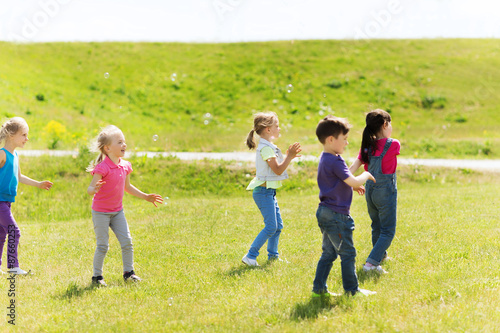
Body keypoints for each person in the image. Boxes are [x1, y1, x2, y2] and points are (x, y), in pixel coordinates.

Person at [87, 125, 162, 286]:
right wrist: (94, 189)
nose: (124, 145)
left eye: (124, 142)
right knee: (103, 245)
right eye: (119, 142)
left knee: (127, 241)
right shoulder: (102, 167)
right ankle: (97, 277)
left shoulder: (125, 166)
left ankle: (129, 273)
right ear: (107, 148)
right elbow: (89, 189)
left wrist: (145, 196)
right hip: (100, 212)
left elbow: (127, 187)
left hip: (117, 212)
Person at [312, 115, 376, 297]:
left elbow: (340, 180)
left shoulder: (326, 158)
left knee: (329, 253)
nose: (347, 143)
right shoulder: (336, 160)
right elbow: (353, 179)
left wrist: (353, 185)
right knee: (348, 253)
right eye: (345, 139)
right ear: (331, 139)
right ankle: (352, 290)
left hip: (325, 212)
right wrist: (367, 175)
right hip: (337, 215)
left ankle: (318, 290)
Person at [241, 112, 301, 266]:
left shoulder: (268, 147)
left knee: (278, 226)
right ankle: (250, 256)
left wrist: (289, 157)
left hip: (269, 193)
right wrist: (290, 157)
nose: (279, 129)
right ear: (268, 129)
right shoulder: (266, 148)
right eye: (277, 126)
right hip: (263, 193)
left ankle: (273, 256)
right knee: (271, 227)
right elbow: (278, 170)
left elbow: (277, 166)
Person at [0, 117, 53, 275]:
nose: (27, 138)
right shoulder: (2, 154)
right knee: (14, 231)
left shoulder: (15, 155)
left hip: (7, 202)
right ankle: (13, 266)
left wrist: (38, 184)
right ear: (11, 135)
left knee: (2, 234)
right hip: (0, 201)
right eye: (23, 135)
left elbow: (19, 177)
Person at [350, 109, 400, 274]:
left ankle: (381, 255)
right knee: (388, 230)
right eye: (390, 123)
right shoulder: (393, 144)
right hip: (385, 191)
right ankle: (371, 264)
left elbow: (354, 167)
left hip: (370, 191)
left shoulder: (367, 146)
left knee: (376, 225)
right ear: (385, 124)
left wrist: (347, 180)